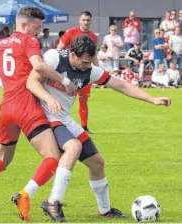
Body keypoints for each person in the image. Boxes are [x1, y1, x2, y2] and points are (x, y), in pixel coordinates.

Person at [26, 36, 171, 222]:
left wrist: (152, 99)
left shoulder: (89, 70)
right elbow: (31, 82)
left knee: (97, 163)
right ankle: (53, 202)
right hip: (46, 117)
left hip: (64, 118)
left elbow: (120, 84)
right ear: (73, 54)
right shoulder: (55, 57)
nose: (88, 66)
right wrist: (49, 98)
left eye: (90, 62)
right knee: (73, 147)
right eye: (85, 61)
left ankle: (104, 210)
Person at [0, 6, 76, 222]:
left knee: (2, 158)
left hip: (6, 108)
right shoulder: (28, 41)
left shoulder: (0, 43)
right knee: (53, 157)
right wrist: (66, 81)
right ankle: (25, 195)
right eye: (37, 26)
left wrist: (6, 68)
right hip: (26, 106)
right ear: (24, 25)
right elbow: (39, 67)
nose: (39, 31)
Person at [57, 11, 97, 134]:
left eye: (88, 20)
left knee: (83, 99)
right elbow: (59, 49)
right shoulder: (71, 32)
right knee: (62, 97)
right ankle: (58, 123)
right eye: (84, 20)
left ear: (91, 21)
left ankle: (84, 127)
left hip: (85, 72)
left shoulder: (93, 36)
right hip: (69, 72)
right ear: (79, 21)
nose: (86, 22)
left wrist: (97, 72)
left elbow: (94, 56)